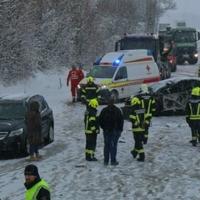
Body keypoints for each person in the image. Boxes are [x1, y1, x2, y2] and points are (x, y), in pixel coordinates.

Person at [99, 97, 124, 166]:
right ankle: (113, 161)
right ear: (114, 102)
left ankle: (106, 161)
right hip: (114, 131)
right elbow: (121, 121)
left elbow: (100, 120)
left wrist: (103, 128)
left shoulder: (104, 110)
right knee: (113, 146)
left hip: (107, 131)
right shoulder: (117, 110)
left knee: (107, 146)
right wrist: (120, 130)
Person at [129, 97, 149, 162]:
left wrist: (135, 123)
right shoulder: (142, 109)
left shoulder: (133, 109)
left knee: (138, 142)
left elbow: (132, 118)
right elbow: (145, 118)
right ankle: (134, 152)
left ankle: (142, 156)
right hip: (142, 128)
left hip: (136, 129)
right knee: (138, 142)